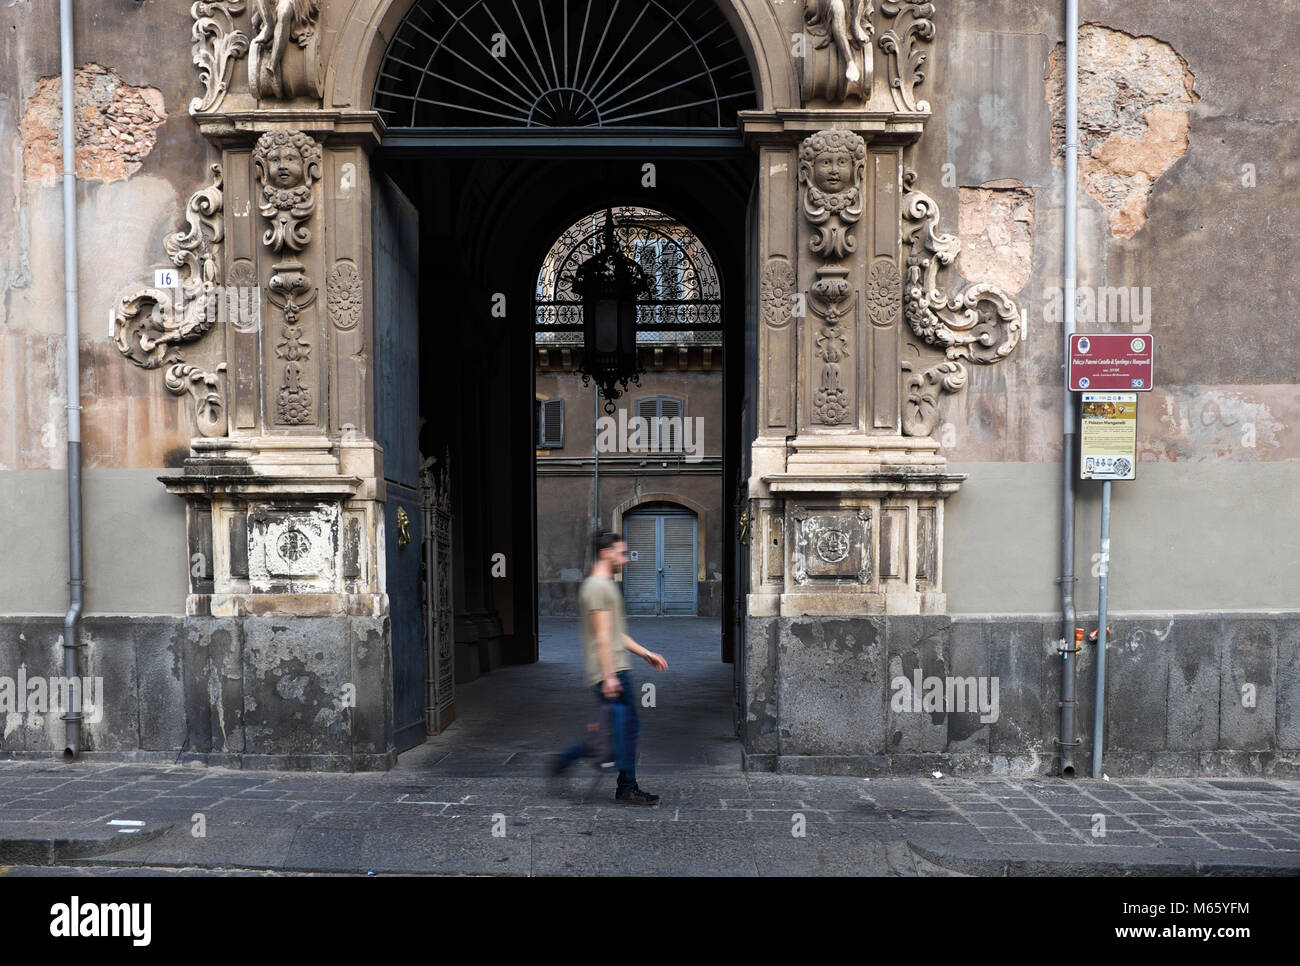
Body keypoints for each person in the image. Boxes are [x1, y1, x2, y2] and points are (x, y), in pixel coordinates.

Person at [551, 531, 669, 804]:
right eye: (620, 553)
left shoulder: (604, 585)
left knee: (621, 729)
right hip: (611, 672)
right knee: (625, 729)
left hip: (616, 669)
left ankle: (575, 763)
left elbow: (614, 633)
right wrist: (608, 676)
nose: (625, 559)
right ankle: (624, 786)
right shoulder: (598, 588)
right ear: (605, 553)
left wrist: (646, 654)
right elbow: (603, 636)